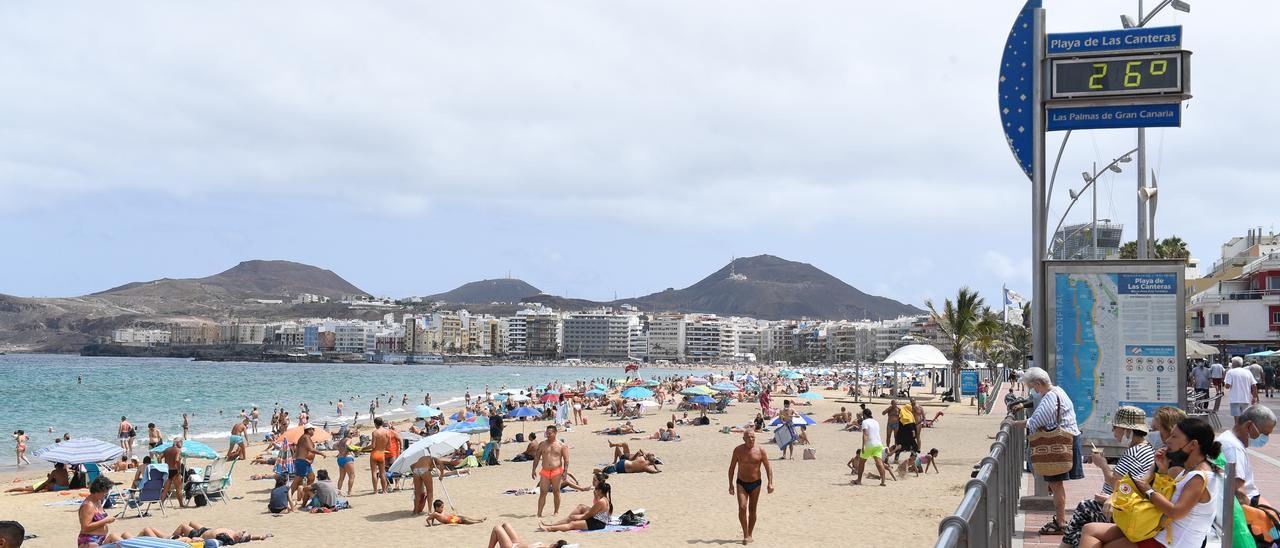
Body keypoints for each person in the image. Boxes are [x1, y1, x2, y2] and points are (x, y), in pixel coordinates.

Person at [1077, 418, 1221, 548]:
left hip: (1171, 542)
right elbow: (1166, 496)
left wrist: (1148, 491)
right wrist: (1163, 471)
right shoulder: (1189, 470)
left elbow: (1176, 512)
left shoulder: (1199, 477)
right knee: (1090, 530)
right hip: (1158, 531)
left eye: (1174, 436)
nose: (1168, 441)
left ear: (1193, 445)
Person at [1061, 406, 1156, 547]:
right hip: (1123, 504)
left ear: (1127, 430)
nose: (1113, 431)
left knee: (1084, 508)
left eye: (1115, 427)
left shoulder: (1134, 453)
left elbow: (1116, 484)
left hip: (1121, 510)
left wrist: (1103, 465)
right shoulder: (1146, 448)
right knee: (1082, 519)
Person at [1010, 367, 1083, 536]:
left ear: (1038, 383)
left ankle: (1061, 522)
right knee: (1056, 484)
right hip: (1066, 441)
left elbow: (1035, 422)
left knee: (1056, 484)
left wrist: (1014, 424)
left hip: (1059, 445)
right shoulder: (1058, 391)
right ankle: (1060, 519)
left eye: (1034, 387)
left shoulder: (1050, 397)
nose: (1035, 391)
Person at [78, 476, 166, 546]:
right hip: (89, 542)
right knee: (115, 537)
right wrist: (105, 521)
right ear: (98, 490)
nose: (106, 494)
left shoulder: (98, 501)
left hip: (100, 540)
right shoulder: (88, 505)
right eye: (105, 492)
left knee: (126, 535)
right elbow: (85, 527)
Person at [1216, 404, 1275, 508]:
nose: (1265, 439)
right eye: (1264, 434)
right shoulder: (1233, 448)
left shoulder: (1229, 438)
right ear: (1249, 426)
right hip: (1248, 506)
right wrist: (1257, 516)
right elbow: (1238, 491)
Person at [728, 427, 774, 545]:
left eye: (752, 437)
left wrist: (770, 483)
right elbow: (732, 467)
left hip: (756, 483)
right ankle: (745, 534)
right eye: (748, 437)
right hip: (741, 483)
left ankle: (750, 533)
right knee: (742, 507)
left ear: (755, 438)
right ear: (744, 438)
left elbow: (768, 467)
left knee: (752, 509)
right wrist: (730, 484)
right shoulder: (738, 450)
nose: (750, 439)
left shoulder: (761, 450)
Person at [538, 483, 613, 532]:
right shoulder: (605, 499)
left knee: (572, 524)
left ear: (599, 491)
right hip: (597, 521)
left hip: (597, 523)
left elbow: (589, 515)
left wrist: (578, 517)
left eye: (596, 489)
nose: (595, 491)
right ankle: (550, 525)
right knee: (572, 518)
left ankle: (549, 528)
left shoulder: (601, 502)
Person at [531, 424, 569, 517]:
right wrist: (533, 469)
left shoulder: (561, 445)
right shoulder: (542, 444)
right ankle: (539, 513)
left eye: (550, 433)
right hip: (545, 471)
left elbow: (566, 459)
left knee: (556, 491)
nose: (547, 435)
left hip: (556, 470)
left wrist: (565, 471)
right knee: (543, 492)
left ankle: (556, 512)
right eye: (546, 433)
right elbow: (537, 457)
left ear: (555, 433)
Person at [852, 408, 894, 486]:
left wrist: (863, 446)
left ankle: (859, 480)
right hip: (878, 444)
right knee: (879, 462)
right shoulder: (876, 422)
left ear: (864, 415)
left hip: (869, 444)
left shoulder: (865, 422)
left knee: (862, 462)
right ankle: (883, 481)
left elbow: (865, 434)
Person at [291, 425, 327, 505]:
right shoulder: (305, 437)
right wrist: (321, 453)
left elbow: (302, 449)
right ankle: (288, 498)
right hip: (302, 461)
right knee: (296, 481)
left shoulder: (306, 437)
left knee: (311, 477)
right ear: (309, 430)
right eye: (313, 429)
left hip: (305, 462)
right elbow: (310, 449)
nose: (314, 431)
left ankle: (305, 498)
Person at [169, 522, 272, 545]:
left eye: (244, 533)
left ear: (239, 539)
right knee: (191, 522)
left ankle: (171, 538)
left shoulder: (228, 538)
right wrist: (261, 536)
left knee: (183, 526)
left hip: (200, 535)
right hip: (205, 530)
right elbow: (250, 537)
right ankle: (181, 536)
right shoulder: (234, 534)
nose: (243, 531)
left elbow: (211, 542)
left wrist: (199, 539)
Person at [6, 463, 70, 493]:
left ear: (57, 466)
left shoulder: (55, 471)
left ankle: (11, 490)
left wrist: (36, 490)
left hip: (59, 487)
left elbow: (47, 482)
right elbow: (60, 479)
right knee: (29, 487)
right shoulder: (65, 471)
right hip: (66, 487)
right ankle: (32, 487)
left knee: (28, 488)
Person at [488, 522, 561, 548]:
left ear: (555, 545)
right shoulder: (545, 545)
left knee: (497, 528)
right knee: (506, 525)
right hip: (517, 544)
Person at [161, 437, 186, 508]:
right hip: (175, 471)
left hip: (167, 470)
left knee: (165, 489)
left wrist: (161, 467)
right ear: (177, 443)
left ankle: (161, 504)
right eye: (181, 442)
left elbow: (159, 457)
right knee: (178, 488)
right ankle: (181, 504)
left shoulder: (166, 450)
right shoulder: (178, 450)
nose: (182, 444)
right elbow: (177, 460)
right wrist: (179, 469)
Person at [369, 417, 391, 494]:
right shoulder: (387, 432)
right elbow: (389, 445)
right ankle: (384, 490)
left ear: (375, 424)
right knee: (382, 473)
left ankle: (375, 491)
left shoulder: (375, 432)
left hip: (375, 453)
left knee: (374, 473)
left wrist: (364, 448)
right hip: (382, 453)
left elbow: (373, 446)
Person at [335, 428, 360, 496]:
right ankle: (349, 492)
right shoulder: (349, 439)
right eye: (351, 433)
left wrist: (340, 450)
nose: (352, 434)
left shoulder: (341, 440)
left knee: (341, 477)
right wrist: (352, 449)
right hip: (347, 458)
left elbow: (335, 445)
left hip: (340, 458)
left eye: (353, 433)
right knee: (352, 476)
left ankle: (339, 491)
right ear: (346, 434)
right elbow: (347, 444)